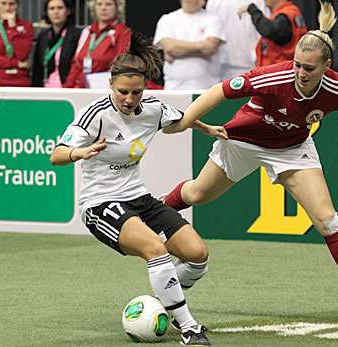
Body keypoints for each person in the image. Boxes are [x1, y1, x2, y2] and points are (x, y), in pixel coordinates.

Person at [161, 0, 338, 321]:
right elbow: (218, 91)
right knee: (196, 195)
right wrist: (185, 122)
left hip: (293, 148)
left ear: (327, 65)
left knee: (327, 219)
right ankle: (153, 214)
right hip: (244, 142)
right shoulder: (272, 77)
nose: (301, 73)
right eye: (297, 65)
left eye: (309, 68)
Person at [50, 32, 227, 346]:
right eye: (123, 92)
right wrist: (80, 152)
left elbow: (180, 120)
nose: (130, 99)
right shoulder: (95, 116)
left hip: (140, 198)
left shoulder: (152, 109)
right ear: (110, 85)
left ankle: (165, 296)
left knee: (198, 256)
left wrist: (206, 127)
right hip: (100, 204)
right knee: (155, 251)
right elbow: (56, 154)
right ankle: (189, 327)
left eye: (136, 92)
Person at [153, 0, 225, 90]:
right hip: (174, 87)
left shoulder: (213, 19)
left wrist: (176, 52)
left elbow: (210, 48)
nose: (202, 1)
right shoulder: (167, 19)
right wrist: (201, 46)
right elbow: (170, 48)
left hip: (207, 87)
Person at [63, 0, 130, 88]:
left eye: (108, 4)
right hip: (80, 87)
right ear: (94, 7)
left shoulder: (123, 32)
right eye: (99, 4)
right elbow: (76, 64)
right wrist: (67, 88)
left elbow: (121, 65)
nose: (103, 8)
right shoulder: (87, 31)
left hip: (104, 88)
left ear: (117, 8)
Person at [206, 0, 268, 79]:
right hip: (220, 64)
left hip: (250, 64)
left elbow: (263, 32)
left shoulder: (258, 1)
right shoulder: (213, 2)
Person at [0, 0, 34, 87]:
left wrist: (13, 27)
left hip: (21, 81)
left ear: (17, 5)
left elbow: (22, 55)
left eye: (12, 4)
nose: (7, 8)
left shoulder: (27, 27)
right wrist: (17, 63)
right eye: (3, 3)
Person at [237, 0, 306, 67]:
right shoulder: (289, 12)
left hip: (279, 71)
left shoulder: (287, 14)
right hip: (277, 70)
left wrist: (253, 10)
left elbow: (268, 30)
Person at [31, 0, 81, 87]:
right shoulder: (43, 36)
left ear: (68, 11)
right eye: (52, 8)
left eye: (60, 8)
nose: (56, 12)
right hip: (45, 88)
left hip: (68, 88)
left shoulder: (77, 35)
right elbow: (37, 68)